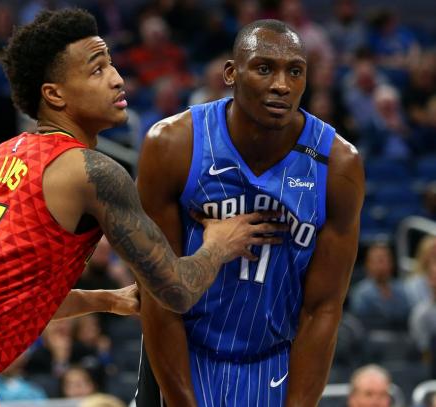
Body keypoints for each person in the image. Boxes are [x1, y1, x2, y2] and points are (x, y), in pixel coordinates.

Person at [0, 9, 286, 407]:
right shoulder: (89, 169)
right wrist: (220, 243)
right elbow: (176, 289)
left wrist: (106, 300)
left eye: (112, 64)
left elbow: (6, 293)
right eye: (97, 70)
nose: (117, 79)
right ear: (55, 95)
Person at [135, 19, 364, 407]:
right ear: (230, 73)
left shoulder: (339, 165)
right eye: (264, 68)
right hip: (182, 355)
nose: (281, 85)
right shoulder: (174, 144)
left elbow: (323, 308)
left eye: (295, 71)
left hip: (274, 362)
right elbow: (157, 293)